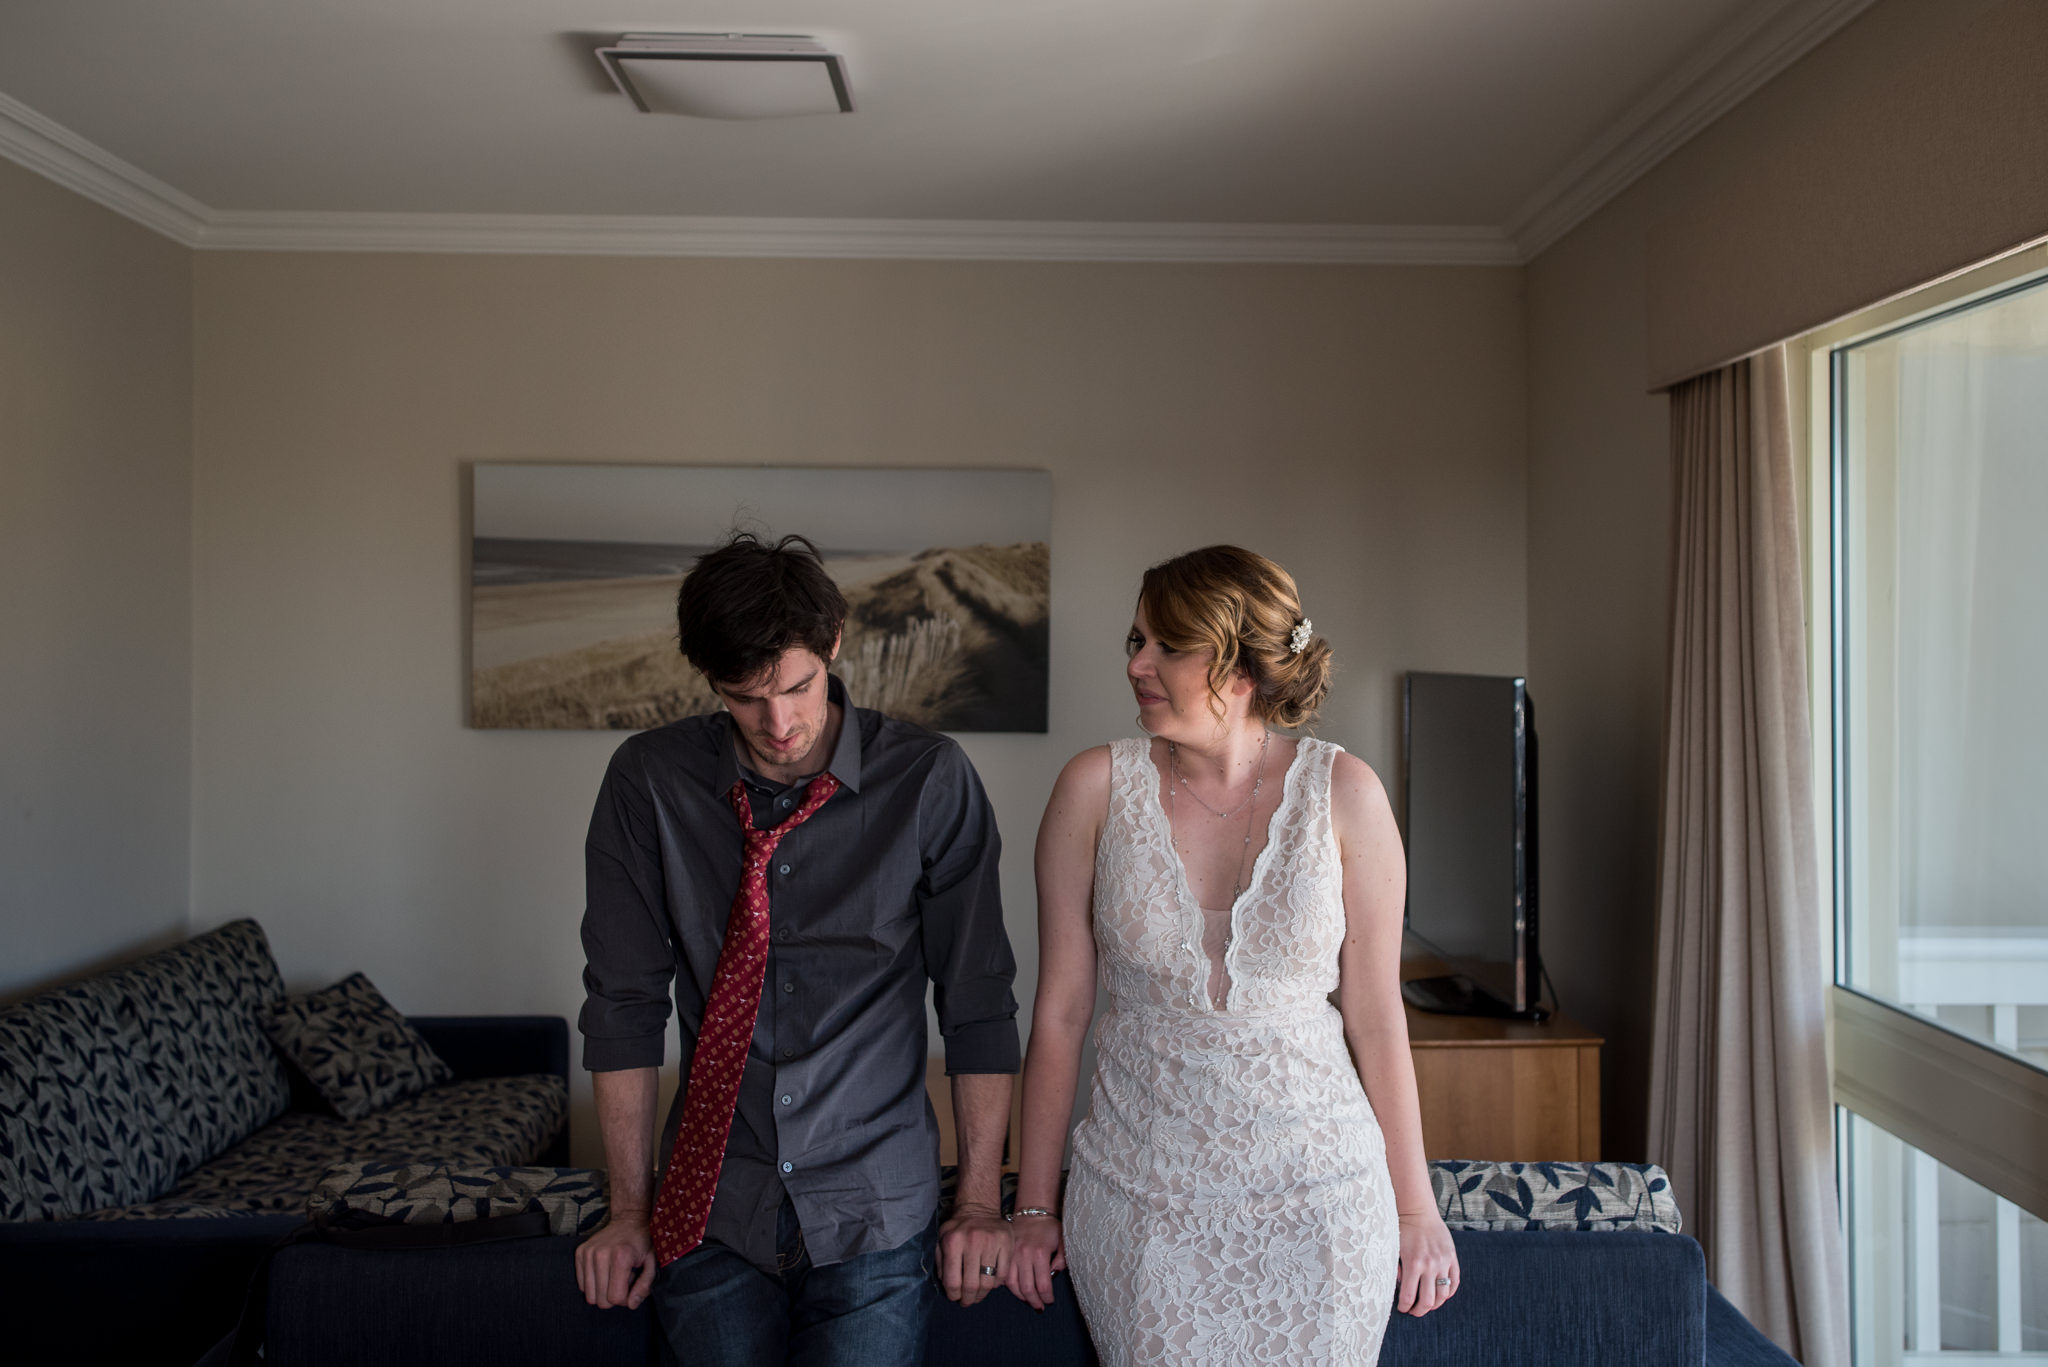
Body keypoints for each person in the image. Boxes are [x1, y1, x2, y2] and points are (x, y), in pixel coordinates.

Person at [573, 531, 1021, 1367]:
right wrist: (629, 1208)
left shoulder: (930, 781)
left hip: (876, 1206)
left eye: (798, 686)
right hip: (711, 1203)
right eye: (745, 697)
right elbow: (623, 1007)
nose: (778, 723)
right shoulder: (648, 783)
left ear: (835, 644)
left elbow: (978, 1002)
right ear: (710, 681)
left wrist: (981, 1203)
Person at [1006, 545, 1458, 1365]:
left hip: (1323, 1198)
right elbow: (1061, 1011)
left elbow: (1376, 1015)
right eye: (1135, 642)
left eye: (1167, 646)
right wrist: (1034, 1210)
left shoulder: (1348, 793)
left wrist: (1416, 1210)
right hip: (1139, 1195)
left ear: (1242, 665)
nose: (1138, 664)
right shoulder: (1092, 788)